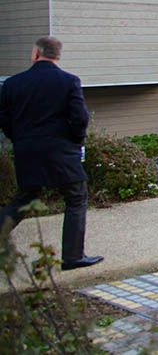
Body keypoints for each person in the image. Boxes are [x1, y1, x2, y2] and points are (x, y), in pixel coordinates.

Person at [0, 36, 103, 271]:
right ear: (58, 55)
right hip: (62, 150)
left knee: (24, 197)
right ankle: (72, 256)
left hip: (26, 149)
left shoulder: (13, 84)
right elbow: (80, 118)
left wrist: (20, 139)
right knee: (76, 197)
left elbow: (4, 119)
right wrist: (76, 142)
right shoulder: (68, 82)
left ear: (36, 53)